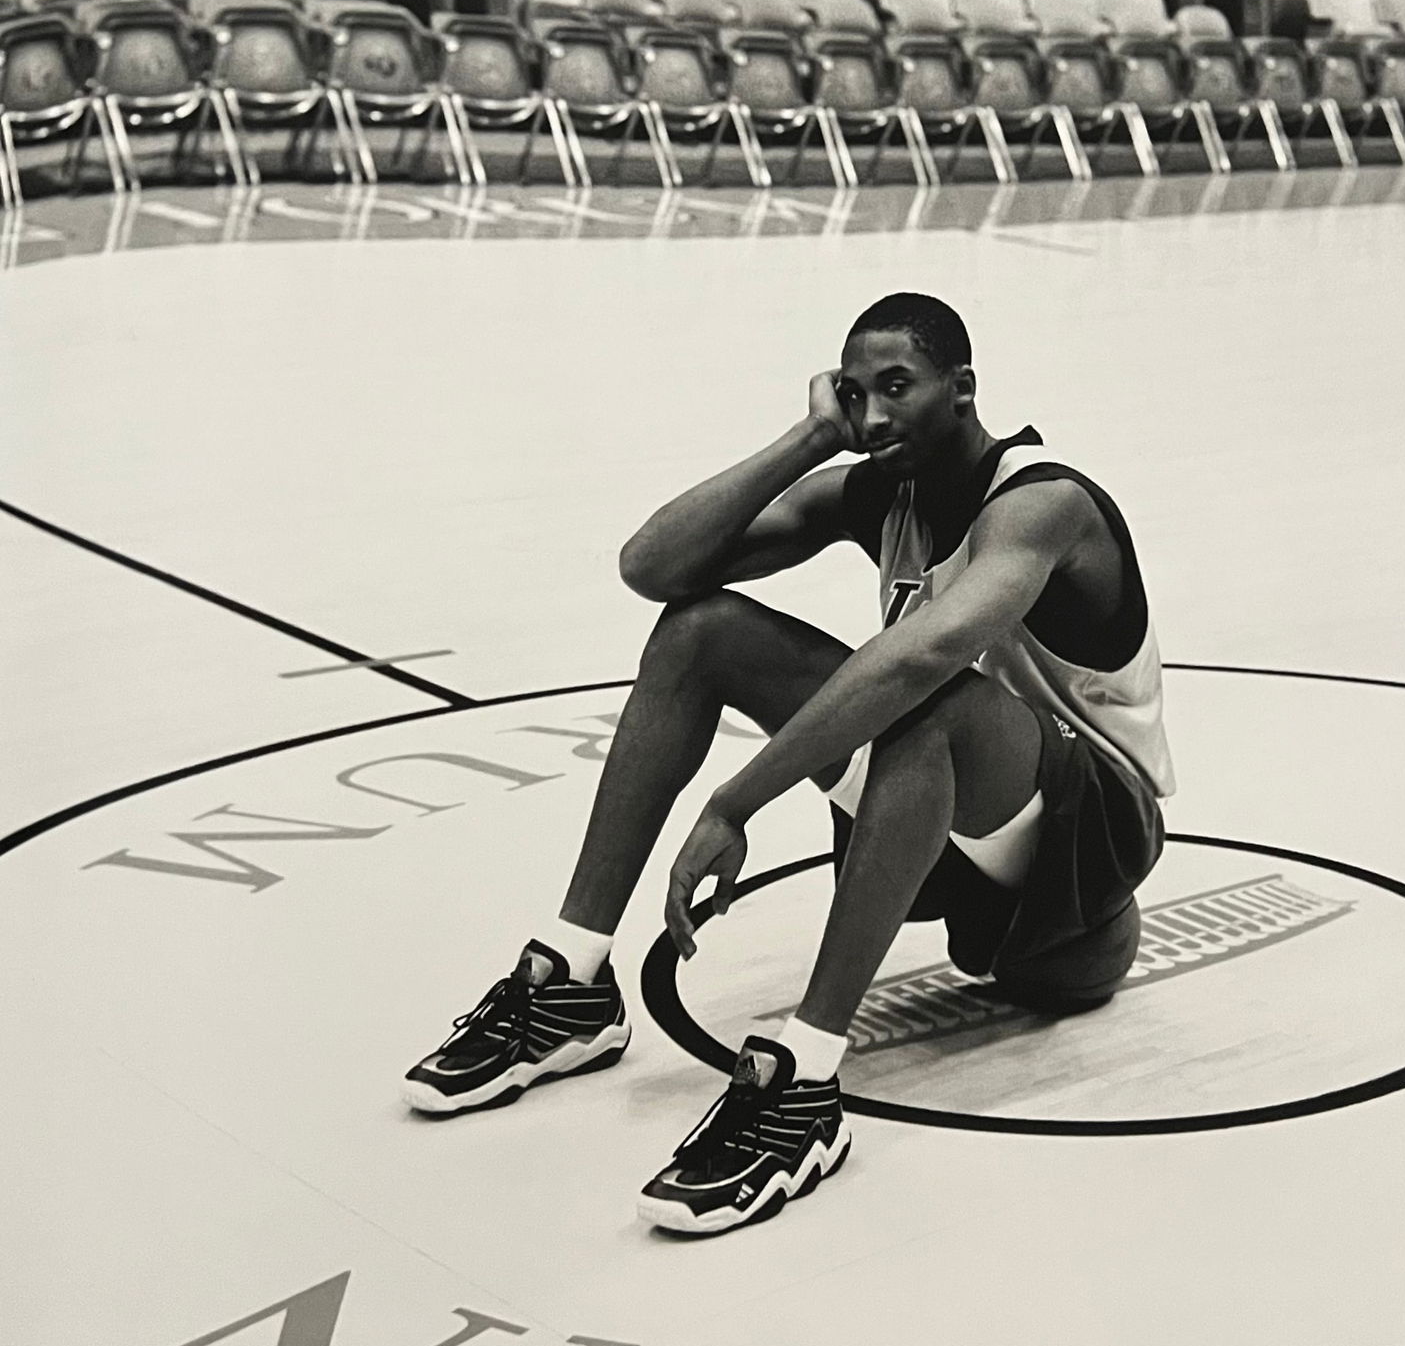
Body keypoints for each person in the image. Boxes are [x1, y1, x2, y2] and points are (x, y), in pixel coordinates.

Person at [402, 292, 1174, 1235]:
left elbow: (927, 655)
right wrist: (809, 438)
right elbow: (654, 566)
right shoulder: (879, 493)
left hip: (1085, 858)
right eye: (856, 393)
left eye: (899, 386)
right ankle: (571, 976)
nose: (876, 415)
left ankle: (803, 1078)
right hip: (960, 843)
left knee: (922, 698)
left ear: (963, 389)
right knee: (700, 633)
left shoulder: (1043, 501)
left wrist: (736, 800)